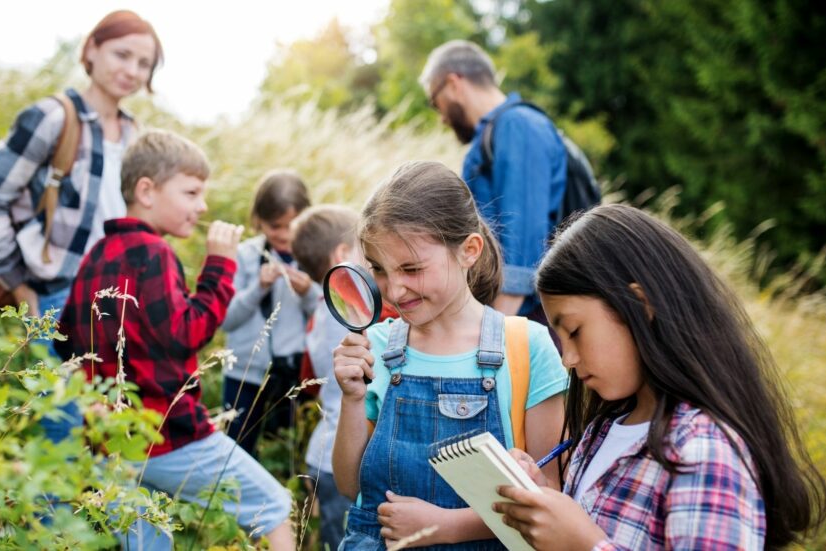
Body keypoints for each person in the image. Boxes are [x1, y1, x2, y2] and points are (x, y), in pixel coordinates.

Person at [493, 204, 826, 549]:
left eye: (575, 331)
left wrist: (583, 545)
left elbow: (587, 538)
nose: (568, 358)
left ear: (640, 304)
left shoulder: (703, 451)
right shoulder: (601, 432)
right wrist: (545, 503)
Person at [54, 130, 294, 550]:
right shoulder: (155, 253)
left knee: (147, 542)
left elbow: (63, 340)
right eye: (191, 192)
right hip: (169, 434)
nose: (201, 206)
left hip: (112, 439)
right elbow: (188, 333)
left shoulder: (97, 254)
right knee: (273, 507)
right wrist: (219, 265)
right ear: (147, 191)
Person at [332, 161, 568, 549]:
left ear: (468, 251)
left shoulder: (526, 347)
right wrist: (352, 398)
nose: (394, 290)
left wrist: (447, 526)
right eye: (378, 269)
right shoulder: (374, 345)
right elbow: (349, 485)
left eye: (411, 268)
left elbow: (550, 494)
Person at [0, 10, 163, 442]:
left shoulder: (135, 134)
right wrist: (20, 287)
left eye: (143, 63)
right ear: (92, 49)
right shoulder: (53, 117)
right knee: (64, 429)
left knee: (111, 432)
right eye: (122, 54)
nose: (131, 70)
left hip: (117, 302)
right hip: (58, 295)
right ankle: (48, 513)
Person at [419, 40, 566, 328]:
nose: (442, 118)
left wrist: (492, 337)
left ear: (454, 83)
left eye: (436, 102)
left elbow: (522, 247)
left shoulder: (517, 125)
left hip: (527, 321)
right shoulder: (494, 133)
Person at [221, 170, 320, 456]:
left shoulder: (315, 257)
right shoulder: (244, 255)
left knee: (293, 452)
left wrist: (308, 294)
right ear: (258, 221)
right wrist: (258, 287)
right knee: (236, 450)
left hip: (296, 374)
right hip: (244, 374)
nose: (285, 236)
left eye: (293, 226)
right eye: (275, 226)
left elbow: (327, 317)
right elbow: (227, 320)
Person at [290, 204, 361, 551]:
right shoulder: (346, 310)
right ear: (342, 255)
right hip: (338, 458)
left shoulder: (320, 304)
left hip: (325, 450)